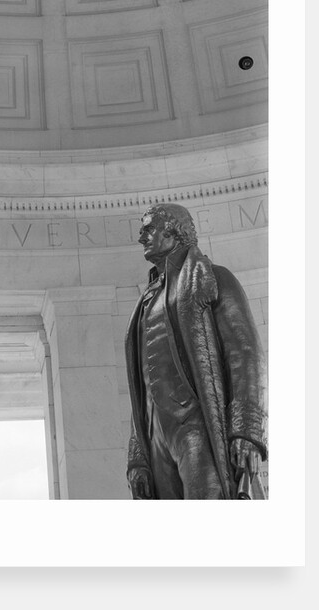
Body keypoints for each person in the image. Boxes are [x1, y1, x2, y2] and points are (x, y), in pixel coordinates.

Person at [125, 203, 267, 499]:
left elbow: (245, 353)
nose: (141, 237)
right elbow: (141, 386)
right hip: (156, 437)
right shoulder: (145, 301)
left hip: (197, 426)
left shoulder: (212, 278)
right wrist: (138, 456)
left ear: (173, 231)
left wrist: (246, 431)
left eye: (148, 229)